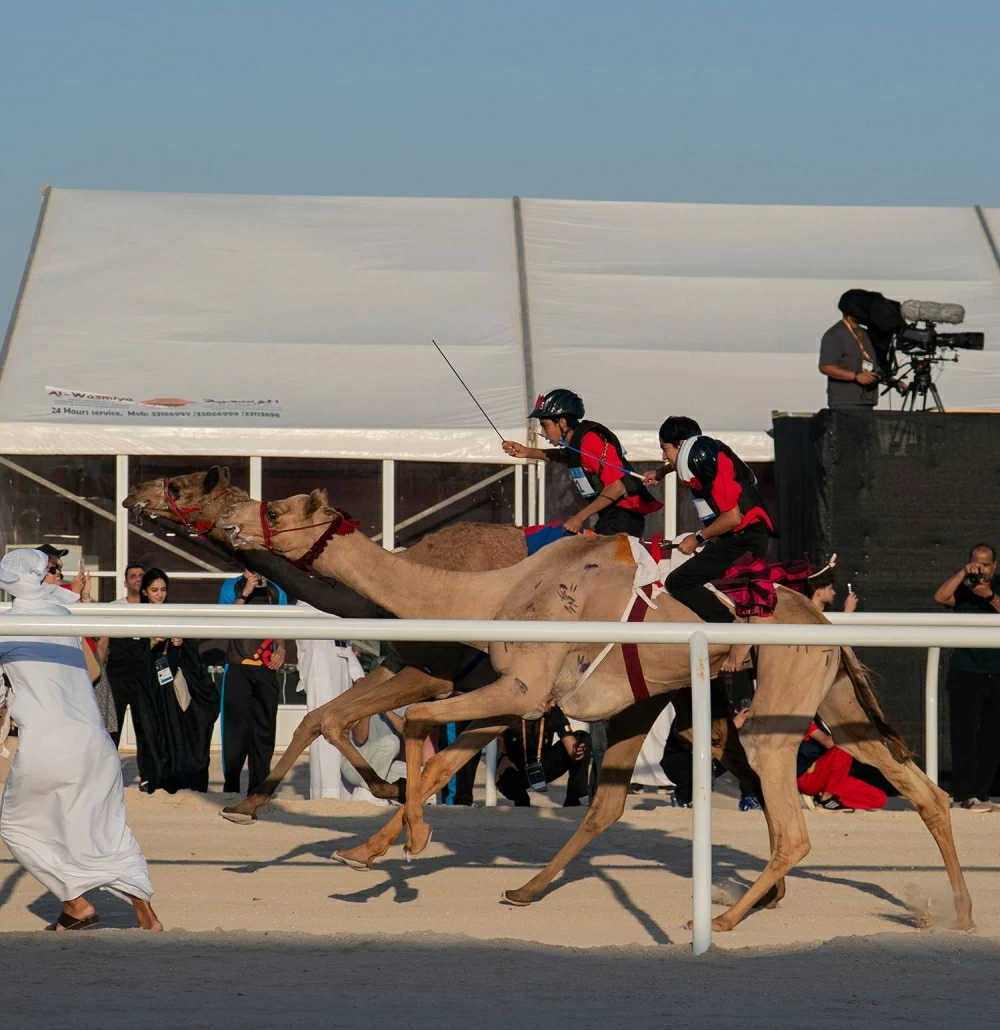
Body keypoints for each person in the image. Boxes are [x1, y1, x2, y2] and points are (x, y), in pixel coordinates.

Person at [0, 548, 160, 931]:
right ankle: (146, 916)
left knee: (18, 827)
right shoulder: (62, 615)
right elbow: (91, 673)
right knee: (108, 830)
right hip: (95, 742)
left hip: (48, 745)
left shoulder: (7, 626)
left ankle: (77, 904)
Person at [644, 416, 774, 671]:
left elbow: (732, 517)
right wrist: (660, 472)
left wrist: (698, 538)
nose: (663, 456)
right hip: (738, 538)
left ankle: (736, 635)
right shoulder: (710, 455)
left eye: (664, 449)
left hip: (744, 541)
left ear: (681, 445)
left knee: (678, 581)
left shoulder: (711, 466)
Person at [502, 388, 662, 536]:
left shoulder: (589, 440)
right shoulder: (577, 441)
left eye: (545, 426)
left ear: (562, 422)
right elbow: (565, 456)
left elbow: (616, 487)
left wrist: (579, 517)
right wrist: (527, 451)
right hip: (610, 516)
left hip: (623, 517)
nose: (543, 433)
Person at [133, 569, 218, 794]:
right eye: (154, 590)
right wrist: (151, 644)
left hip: (175, 687)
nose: (159, 595)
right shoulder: (135, 616)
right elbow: (131, 658)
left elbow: (192, 657)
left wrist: (180, 643)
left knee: (181, 732)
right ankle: (157, 779)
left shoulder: (175, 613)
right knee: (155, 735)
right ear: (144, 592)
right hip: (152, 691)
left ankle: (182, 778)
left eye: (162, 590)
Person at [934, 543, 1000, 811]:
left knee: (992, 736)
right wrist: (963, 574)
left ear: (994, 566)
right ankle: (963, 794)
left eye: (985, 564)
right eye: (976, 562)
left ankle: (982, 794)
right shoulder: (962, 586)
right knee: (964, 735)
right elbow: (940, 597)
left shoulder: (995, 586)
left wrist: (988, 594)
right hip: (966, 670)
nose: (980, 568)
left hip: (996, 670)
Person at [218, 568, 288, 794]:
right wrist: (245, 593)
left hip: (266, 668)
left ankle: (258, 789)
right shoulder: (232, 586)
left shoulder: (277, 589)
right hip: (238, 667)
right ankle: (231, 787)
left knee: (264, 730)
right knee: (236, 732)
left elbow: (282, 624)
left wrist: (282, 648)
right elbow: (223, 623)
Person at [295, 603, 366, 799]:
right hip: (320, 671)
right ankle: (326, 795)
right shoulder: (305, 604)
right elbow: (303, 643)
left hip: (342, 670)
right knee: (324, 734)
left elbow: (345, 643)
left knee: (343, 731)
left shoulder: (336, 599)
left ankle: (343, 792)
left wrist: (357, 674)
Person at [495, 702, 590, 807]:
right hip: (516, 766)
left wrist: (577, 752)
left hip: (543, 765)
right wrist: (504, 756)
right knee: (504, 777)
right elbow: (499, 734)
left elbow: (569, 741)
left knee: (582, 738)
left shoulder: (553, 710)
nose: (553, 702)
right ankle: (522, 801)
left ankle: (573, 798)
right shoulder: (512, 707)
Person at [796, 717, 887, 812]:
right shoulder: (804, 721)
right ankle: (827, 797)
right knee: (845, 745)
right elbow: (828, 743)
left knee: (880, 799)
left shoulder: (825, 720)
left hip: (831, 778)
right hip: (809, 776)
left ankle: (825, 800)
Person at [105, 562, 149, 751]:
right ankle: (110, 772)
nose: (138, 579)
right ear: (125, 582)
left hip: (143, 674)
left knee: (145, 727)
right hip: (119, 675)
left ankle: (148, 777)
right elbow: (104, 640)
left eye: (141, 575)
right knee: (112, 728)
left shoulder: (155, 607)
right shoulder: (114, 608)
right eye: (133, 576)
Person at [818, 303, 883, 410]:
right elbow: (826, 367)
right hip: (845, 403)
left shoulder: (865, 333)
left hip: (867, 401)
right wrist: (856, 376)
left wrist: (892, 381)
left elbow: (870, 364)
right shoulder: (835, 333)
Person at [341, 709, 408, 804]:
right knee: (391, 742)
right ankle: (370, 791)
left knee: (419, 773)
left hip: (383, 767)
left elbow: (406, 732)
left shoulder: (397, 707)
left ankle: (372, 794)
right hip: (355, 766)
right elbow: (360, 738)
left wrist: (387, 710)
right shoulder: (361, 706)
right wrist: (367, 712)